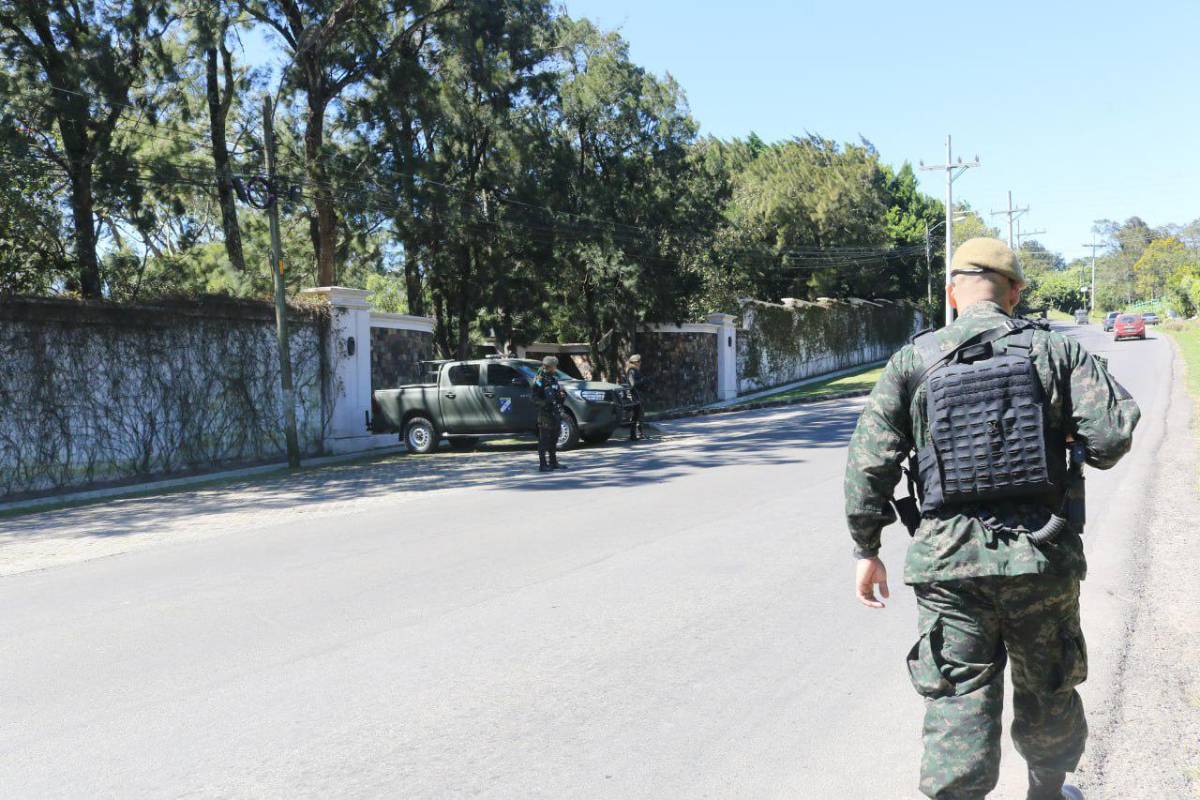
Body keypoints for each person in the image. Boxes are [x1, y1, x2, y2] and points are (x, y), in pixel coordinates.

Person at [843, 238, 1141, 800]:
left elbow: (868, 464)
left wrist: (867, 549)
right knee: (1048, 685)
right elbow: (1111, 437)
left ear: (952, 290)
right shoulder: (1055, 351)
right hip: (1041, 557)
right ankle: (1048, 791)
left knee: (958, 694)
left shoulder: (913, 359)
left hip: (949, 566)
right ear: (1017, 291)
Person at [531, 355, 567, 472]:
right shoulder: (539, 380)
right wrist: (545, 404)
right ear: (550, 366)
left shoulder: (553, 379)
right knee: (544, 440)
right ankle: (543, 464)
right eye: (554, 366)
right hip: (545, 414)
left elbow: (557, 394)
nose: (555, 368)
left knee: (554, 438)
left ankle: (553, 462)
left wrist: (562, 396)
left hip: (555, 412)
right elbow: (534, 398)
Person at [624, 354, 648, 440]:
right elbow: (632, 384)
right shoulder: (632, 370)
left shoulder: (633, 370)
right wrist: (642, 380)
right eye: (639, 361)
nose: (640, 363)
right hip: (635, 396)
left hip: (637, 395)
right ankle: (634, 435)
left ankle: (637, 434)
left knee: (637, 415)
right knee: (637, 415)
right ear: (635, 362)